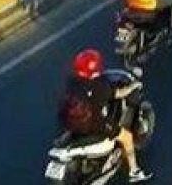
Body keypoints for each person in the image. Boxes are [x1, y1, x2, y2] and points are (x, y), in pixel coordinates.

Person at [58, 50, 152, 183]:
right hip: (95, 125)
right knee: (127, 137)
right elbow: (118, 93)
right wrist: (132, 87)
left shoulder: (72, 81)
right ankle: (134, 171)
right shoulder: (99, 86)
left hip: (71, 122)